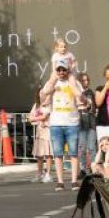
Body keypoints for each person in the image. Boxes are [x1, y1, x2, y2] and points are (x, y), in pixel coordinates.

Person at [42, 61, 84, 191]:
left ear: (68, 71)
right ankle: (60, 181)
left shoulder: (74, 82)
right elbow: (44, 93)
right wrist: (53, 80)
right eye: (58, 70)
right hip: (56, 123)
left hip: (72, 122)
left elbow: (81, 97)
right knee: (58, 153)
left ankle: (74, 181)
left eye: (64, 70)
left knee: (73, 153)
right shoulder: (53, 81)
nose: (61, 72)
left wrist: (73, 85)